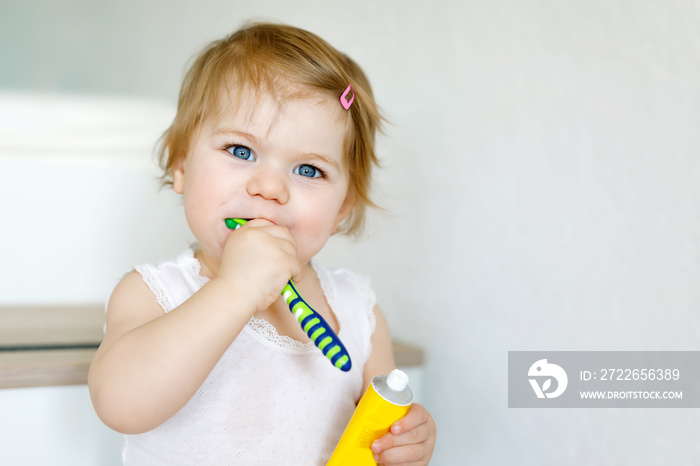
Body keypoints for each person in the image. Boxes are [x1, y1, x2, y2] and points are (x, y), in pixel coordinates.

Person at [88, 22, 436, 465]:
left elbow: (373, 441)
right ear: (181, 166)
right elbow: (120, 403)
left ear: (342, 207)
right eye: (241, 150)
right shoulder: (155, 293)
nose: (270, 187)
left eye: (309, 170)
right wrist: (236, 288)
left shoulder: (358, 313)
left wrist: (404, 444)